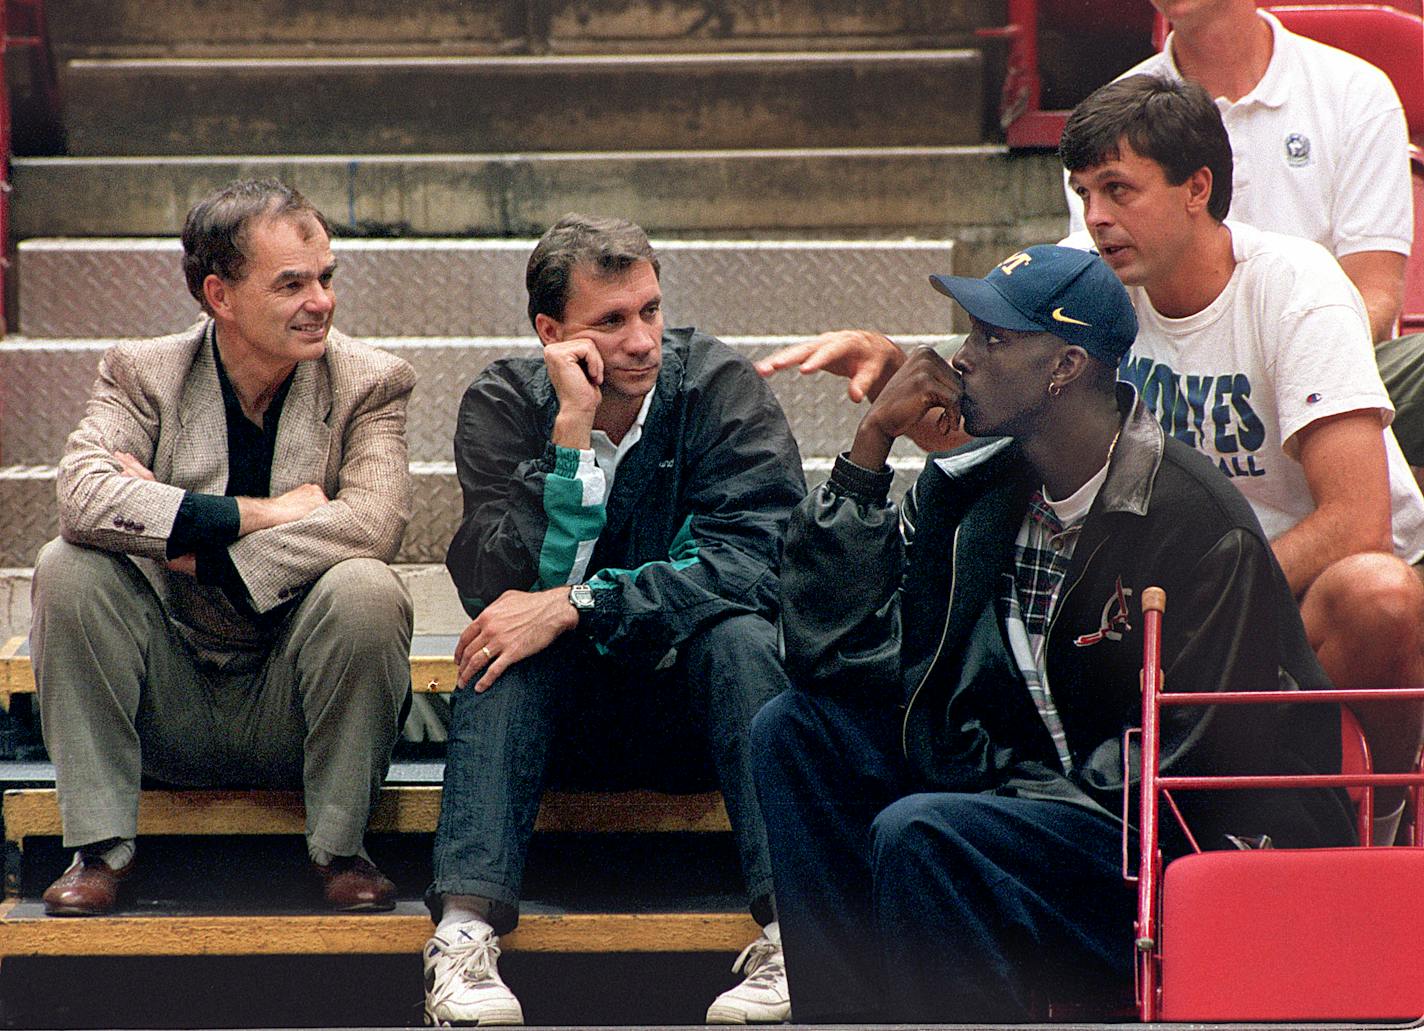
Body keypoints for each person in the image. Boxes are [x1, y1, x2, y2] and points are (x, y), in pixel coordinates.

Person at [757, 77, 1424, 841]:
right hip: (1146, 588)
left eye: (1118, 189)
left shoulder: (1295, 287)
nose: (1097, 217)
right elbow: (1010, 415)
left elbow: (1358, 520)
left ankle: (1377, 816)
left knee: (1377, 591)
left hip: (1278, 582)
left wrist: (1196, 592)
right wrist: (900, 382)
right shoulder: (1095, 279)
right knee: (809, 724)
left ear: (1196, 189)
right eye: (1083, 192)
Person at [754, 244, 1355, 1023]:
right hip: (1037, 804)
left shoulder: (1193, 519)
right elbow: (830, 658)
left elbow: (1200, 759)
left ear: (1066, 366)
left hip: (1183, 846)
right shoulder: (971, 498)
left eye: (992, 339)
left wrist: (992, 796)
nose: (961, 358)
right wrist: (870, 449)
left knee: (928, 832)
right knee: (794, 732)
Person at [425, 214, 806, 1026]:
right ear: (551, 333)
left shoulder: (719, 389)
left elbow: (753, 563)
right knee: (503, 637)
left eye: (651, 310)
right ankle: (461, 939)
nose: (641, 340)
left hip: (693, 716)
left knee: (739, 635)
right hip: (558, 727)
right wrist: (572, 441)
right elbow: (490, 581)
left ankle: (791, 933)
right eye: (612, 320)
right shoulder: (502, 401)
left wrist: (580, 602)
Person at [31, 177, 417, 916]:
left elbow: (373, 522)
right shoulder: (143, 371)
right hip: (165, 690)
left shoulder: (371, 381)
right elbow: (82, 497)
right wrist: (261, 513)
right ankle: (100, 848)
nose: (322, 302)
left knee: (366, 586)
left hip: (293, 695)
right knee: (67, 566)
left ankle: (342, 848)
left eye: (327, 278)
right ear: (221, 294)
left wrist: (190, 544)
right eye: (292, 284)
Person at [1062, 0, 1412, 345]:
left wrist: (1304, 371)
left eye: (1118, 189)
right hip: (1169, 378)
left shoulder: (1357, 92)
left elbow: (1374, 295)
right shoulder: (1106, 122)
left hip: (1331, 368)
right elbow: (1109, 299)